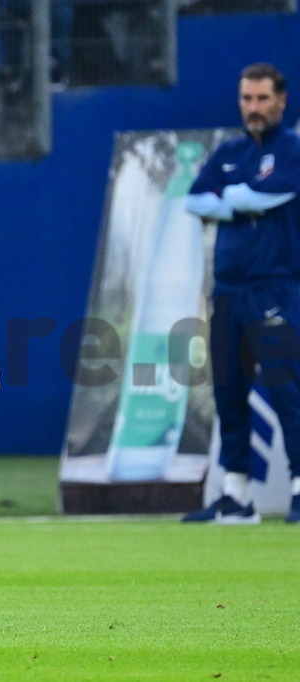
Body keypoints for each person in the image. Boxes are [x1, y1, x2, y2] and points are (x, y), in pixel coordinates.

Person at [182, 62, 300, 525]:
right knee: (229, 390)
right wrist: (242, 195)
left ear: (281, 101)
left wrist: (231, 198)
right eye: (246, 99)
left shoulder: (291, 150)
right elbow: (194, 200)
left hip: (275, 287)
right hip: (227, 290)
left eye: (262, 99)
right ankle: (236, 495)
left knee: (287, 388)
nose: (253, 108)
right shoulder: (229, 152)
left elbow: (262, 198)